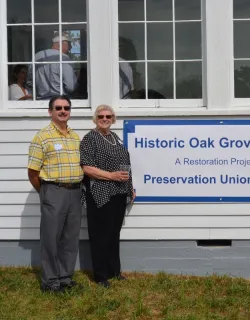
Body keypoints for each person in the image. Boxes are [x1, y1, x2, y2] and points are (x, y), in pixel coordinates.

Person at [27, 95, 83, 293]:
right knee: (51, 238)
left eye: (66, 108)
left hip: (75, 192)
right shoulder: (42, 137)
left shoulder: (75, 136)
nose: (62, 111)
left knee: (70, 237)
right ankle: (51, 281)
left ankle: (65, 277)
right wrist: (46, 193)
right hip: (53, 191)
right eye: (58, 108)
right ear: (50, 111)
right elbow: (33, 172)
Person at [80, 105, 135, 288]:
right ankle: (100, 275)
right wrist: (111, 176)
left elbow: (125, 164)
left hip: (118, 193)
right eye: (101, 116)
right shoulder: (90, 139)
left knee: (113, 234)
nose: (105, 118)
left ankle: (114, 271)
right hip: (100, 194)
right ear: (95, 119)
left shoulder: (115, 138)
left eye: (108, 116)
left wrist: (130, 187)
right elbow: (86, 168)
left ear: (113, 118)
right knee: (100, 235)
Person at [26, 31, 77, 100]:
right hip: (60, 101)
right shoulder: (64, 58)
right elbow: (70, 87)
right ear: (61, 44)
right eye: (68, 45)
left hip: (40, 101)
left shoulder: (36, 56)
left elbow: (29, 82)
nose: (69, 49)